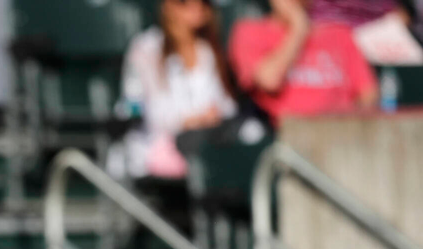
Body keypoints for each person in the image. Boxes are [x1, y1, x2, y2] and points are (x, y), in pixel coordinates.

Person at [118, 0, 238, 179]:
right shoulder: (145, 48)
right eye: (184, 2)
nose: (196, 7)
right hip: (161, 147)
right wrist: (190, 120)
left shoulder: (208, 49)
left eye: (203, 2)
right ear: (167, 6)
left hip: (210, 141)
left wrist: (213, 114)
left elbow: (227, 105)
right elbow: (138, 108)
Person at [229, 0, 378, 124]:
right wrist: (299, 28)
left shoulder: (339, 34)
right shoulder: (250, 31)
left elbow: (368, 93)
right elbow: (269, 80)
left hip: (339, 133)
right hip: (284, 140)